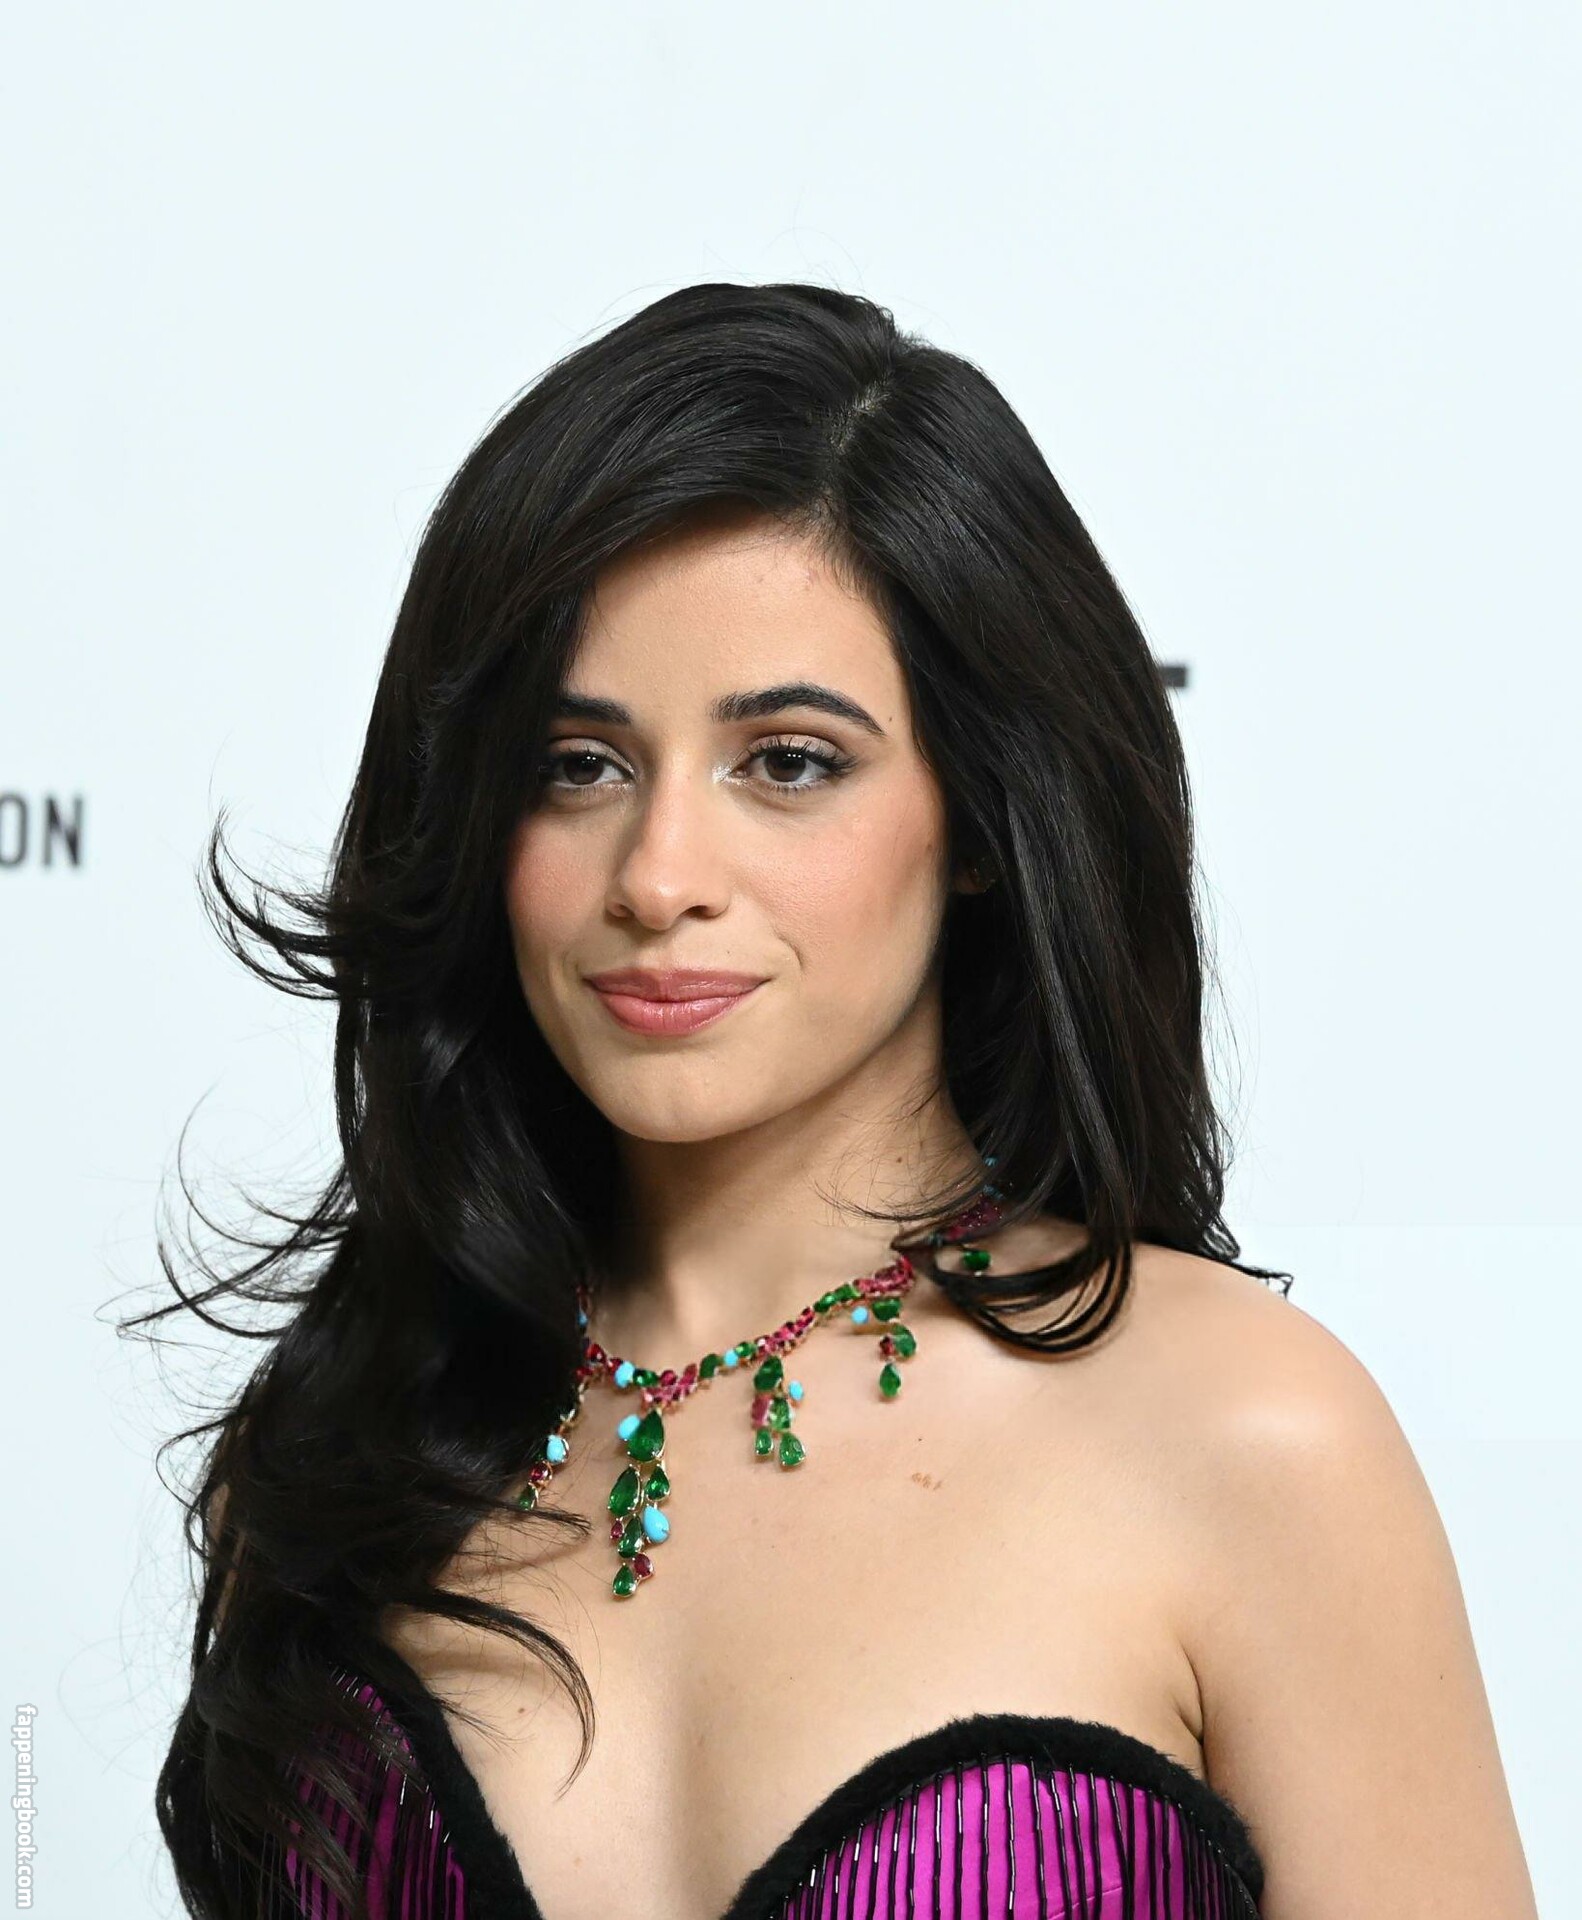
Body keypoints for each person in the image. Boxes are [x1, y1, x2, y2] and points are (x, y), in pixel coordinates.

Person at [140, 283, 1538, 1919]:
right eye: (575, 766)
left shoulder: (1246, 1438)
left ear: (981, 821)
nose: (658, 875)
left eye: (788, 762)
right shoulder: (340, 1449)